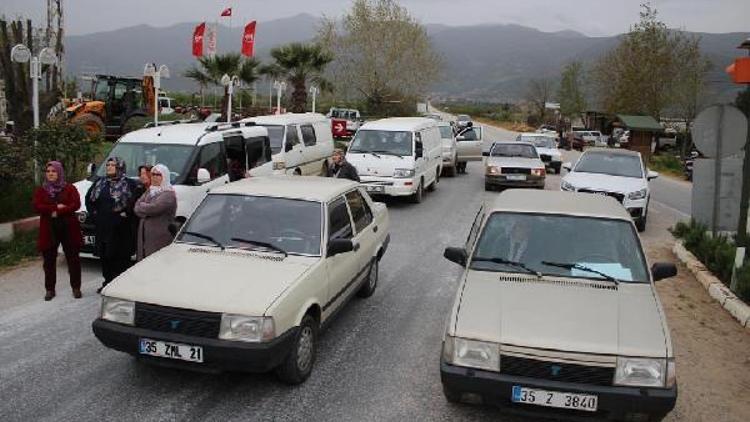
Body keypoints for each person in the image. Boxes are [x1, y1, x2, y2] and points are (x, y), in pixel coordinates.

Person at [32, 161, 83, 301]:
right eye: (48, 171)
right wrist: (55, 209)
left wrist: (60, 210)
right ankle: (50, 289)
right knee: (48, 260)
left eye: (53, 171)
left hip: (68, 227)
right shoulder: (41, 190)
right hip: (49, 228)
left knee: (73, 258)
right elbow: (37, 206)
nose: (50, 174)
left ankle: (76, 287)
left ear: (59, 172)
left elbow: (76, 204)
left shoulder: (69, 188)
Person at [86, 157, 138, 292]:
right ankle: (107, 282)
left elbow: (134, 202)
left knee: (120, 257)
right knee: (105, 256)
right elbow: (89, 200)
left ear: (120, 167)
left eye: (112, 165)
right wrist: (95, 215)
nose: (108, 167)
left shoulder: (129, 184)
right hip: (103, 227)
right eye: (107, 165)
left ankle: (120, 285)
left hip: (121, 228)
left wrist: (126, 213)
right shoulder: (100, 182)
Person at [134, 164, 177, 260]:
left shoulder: (168, 194)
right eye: (153, 174)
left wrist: (143, 206)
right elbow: (136, 207)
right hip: (145, 238)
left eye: (158, 175)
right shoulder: (150, 190)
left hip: (159, 238)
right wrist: (144, 207)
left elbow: (155, 208)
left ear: (164, 176)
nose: (154, 177)